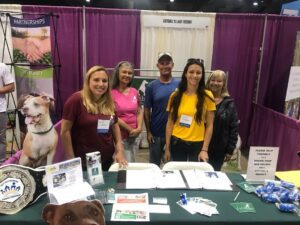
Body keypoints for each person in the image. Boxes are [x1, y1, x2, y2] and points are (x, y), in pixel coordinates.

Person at [61, 65, 127, 171]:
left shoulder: (109, 102)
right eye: (96, 80)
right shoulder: (76, 100)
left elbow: (115, 126)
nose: (101, 84)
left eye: (104, 81)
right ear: (88, 82)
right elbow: (65, 131)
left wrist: (120, 151)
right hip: (83, 164)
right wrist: (72, 161)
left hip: (106, 160)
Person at [165, 58, 215, 162]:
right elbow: (170, 123)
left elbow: (210, 125)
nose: (195, 75)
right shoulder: (175, 96)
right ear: (185, 74)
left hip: (197, 144)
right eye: (191, 72)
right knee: (178, 173)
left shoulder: (207, 96)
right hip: (177, 142)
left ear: (202, 76)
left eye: (198, 73)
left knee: (195, 175)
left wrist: (204, 149)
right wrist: (167, 148)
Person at [144, 52, 179, 166]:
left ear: (172, 65)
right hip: (156, 134)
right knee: (154, 166)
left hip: (175, 133)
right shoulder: (151, 86)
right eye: (162, 63)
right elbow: (146, 110)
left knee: (172, 167)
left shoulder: (181, 84)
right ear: (157, 66)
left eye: (167, 63)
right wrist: (149, 132)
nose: (165, 66)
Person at [206, 70, 239, 171]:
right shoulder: (202, 98)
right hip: (199, 146)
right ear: (208, 81)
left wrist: (230, 150)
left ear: (224, 84)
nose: (215, 83)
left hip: (218, 149)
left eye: (219, 81)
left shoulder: (229, 103)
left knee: (213, 175)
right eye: (213, 80)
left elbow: (234, 128)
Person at [111, 61, 143, 162]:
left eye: (130, 73)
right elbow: (113, 116)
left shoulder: (134, 91)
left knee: (132, 161)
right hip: (120, 136)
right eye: (124, 72)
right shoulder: (111, 93)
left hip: (135, 136)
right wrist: (130, 129)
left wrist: (139, 128)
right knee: (123, 163)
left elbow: (139, 110)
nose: (127, 75)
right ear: (118, 73)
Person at [0, 63, 15, 163]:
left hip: (0, 109)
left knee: (0, 138)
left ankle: (1, 163)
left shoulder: (2, 67)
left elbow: (11, 87)